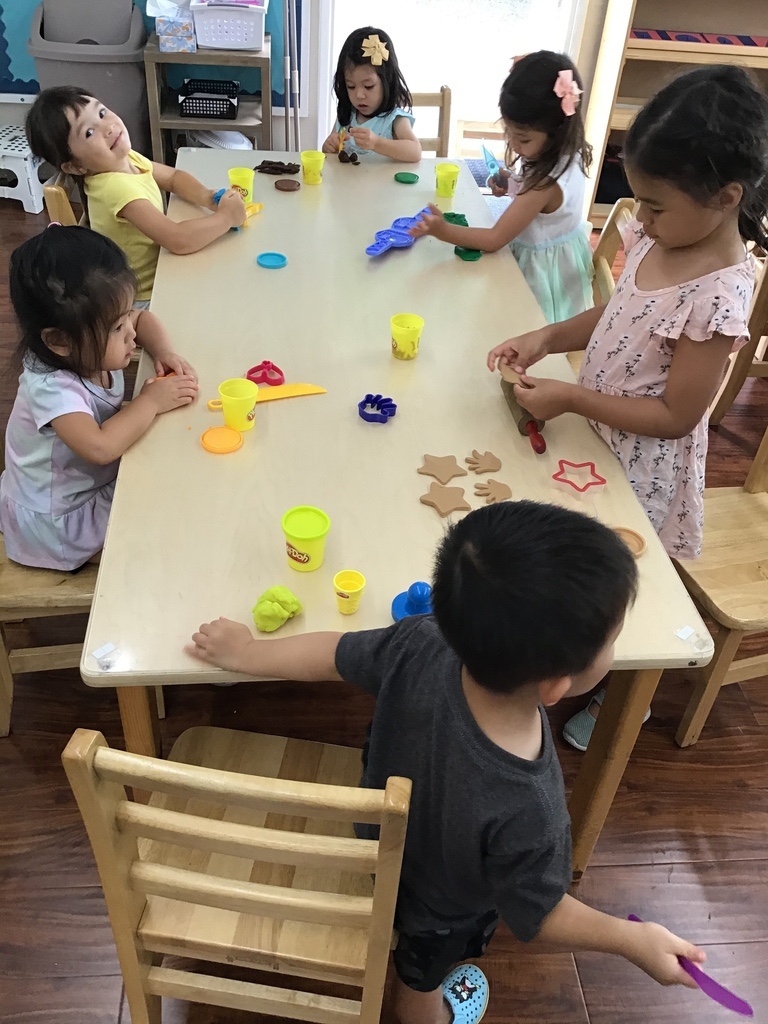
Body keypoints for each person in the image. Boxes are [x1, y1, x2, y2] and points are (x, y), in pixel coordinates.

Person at [188, 501, 706, 1024]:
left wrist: (246, 654)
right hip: (438, 913)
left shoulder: (420, 640)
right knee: (421, 979)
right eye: (612, 641)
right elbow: (540, 911)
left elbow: (334, 653)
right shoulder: (532, 802)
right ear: (555, 686)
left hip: (371, 838)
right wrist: (631, 939)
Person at [487, 65, 768, 751]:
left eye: (655, 206)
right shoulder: (659, 236)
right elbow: (617, 315)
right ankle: (568, 653)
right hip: (598, 437)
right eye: (640, 202)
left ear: (727, 198)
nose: (640, 219)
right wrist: (549, 336)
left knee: (620, 583)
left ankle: (624, 695)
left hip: (644, 468)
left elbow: (676, 417)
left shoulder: (721, 295)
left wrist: (569, 396)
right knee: (578, 563)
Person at [0, 225, 198, 571]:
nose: (132, 333)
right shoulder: (52, 389)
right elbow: (100, 447)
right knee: (157, 538)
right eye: (118, 328)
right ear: (59, 341)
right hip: (59, 519)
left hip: (88, 479)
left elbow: (143, 318)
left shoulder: (86, 342)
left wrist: (164, 351)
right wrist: (150, 401)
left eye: (125, 318)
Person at [409, 51, 594, 323]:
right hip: (559, 256)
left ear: (557, 132)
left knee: (516, 326)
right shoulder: (566, 153)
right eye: (509, 133)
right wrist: (513, 183)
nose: (514, 145)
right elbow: (544, 209)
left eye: (523, 139)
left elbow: (494, 239)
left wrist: (442, 230)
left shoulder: (545, 184)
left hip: (541, 279)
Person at [25, 86, 247, 306]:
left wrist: (206, 196)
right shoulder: (115, 188)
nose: (108, 128)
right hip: (145, 297)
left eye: (101, 113)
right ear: (74, 167)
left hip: (166, 268)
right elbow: (178, 240)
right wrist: (226, 218)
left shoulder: (124, 158)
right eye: (89, 133)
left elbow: (173, 178)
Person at [321, 26, 421, 163]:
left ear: (387, 82)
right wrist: (329, 147)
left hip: (384, 178)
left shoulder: (394, 118)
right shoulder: (346, 115)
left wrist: (377, 143)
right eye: (351, 86)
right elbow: (330, 157)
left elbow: (415, 152)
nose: (359, 95)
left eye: (368, 86)